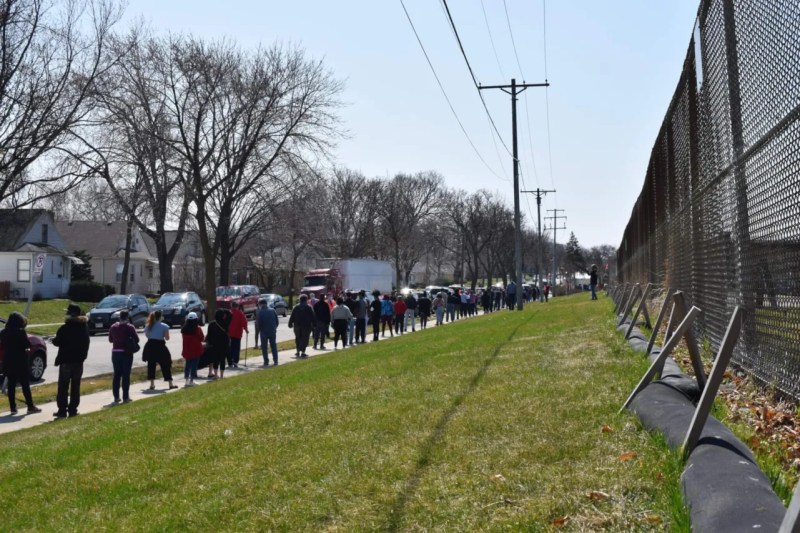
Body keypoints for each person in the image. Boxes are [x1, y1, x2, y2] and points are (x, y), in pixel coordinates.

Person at [51, 303, 90, 418]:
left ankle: (62, 410)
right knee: (75, 386)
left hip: (66, 361)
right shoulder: (84, 327)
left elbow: (57, 342)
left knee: (63, 386)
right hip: (79, 361)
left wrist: (54, 340)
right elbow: (86, 344)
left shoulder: (65, 328)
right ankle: (73, 409)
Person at [0, 312, 42, 416]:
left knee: (11, 385)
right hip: (20, 361)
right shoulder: (20, 332)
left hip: (8, 360)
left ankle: (13, 408)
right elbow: (27, 344)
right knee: (24, 384)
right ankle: (30, 406)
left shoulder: (3, 332)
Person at [108, 309, 139, 403]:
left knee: (116, 375)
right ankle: (125, 397)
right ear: (128, 317)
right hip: (126, 353)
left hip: (115, 352)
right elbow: (136, 340)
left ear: (119, 317)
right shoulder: (130, 327)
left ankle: (116, 397)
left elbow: (110, 340)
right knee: (126, 375)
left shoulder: (113, 327)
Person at [143, 310, 177, 390]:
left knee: (151, 365)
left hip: (150, 346)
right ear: (160, 317)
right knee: (166, 364)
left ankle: (152, 384)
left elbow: (147, 336)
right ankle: (170, 383)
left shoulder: (148, 326)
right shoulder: (164, 326)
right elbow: (167, 338)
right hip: (160, 346)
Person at [180, 312, 204, 387]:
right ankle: (191, 380)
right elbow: (202, 338)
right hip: (195, 350)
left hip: (187, 349)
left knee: (188, 364)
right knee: (194, 365)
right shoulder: (198, 328)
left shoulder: (184, 329)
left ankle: (186, 380)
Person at [205, 309, 231, 378]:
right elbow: (230, 314)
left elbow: (209, 334)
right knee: (222, 359)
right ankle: (222, 375)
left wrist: (209, 342)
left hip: (214, 344)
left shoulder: (211, 324)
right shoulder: (225, 322)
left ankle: (216, 374)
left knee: (215, 360)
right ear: (223, 315)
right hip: (224, 344)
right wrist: (223, 310)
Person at [255, 298, 279, 366]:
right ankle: (275, 360)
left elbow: (258, 323)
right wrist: (274, 328)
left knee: (264, 348)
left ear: (261, 304)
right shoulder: (272, 310)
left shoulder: (260, 312)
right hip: (272, 331)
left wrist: (260, 329)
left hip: (264, 332)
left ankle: (266, 361)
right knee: (273, 346)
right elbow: (277, 321)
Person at [227, 302, 249, 369]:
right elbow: (244, 322)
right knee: (236, 348)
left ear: (231, 306)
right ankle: (235, 362)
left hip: (229, 333)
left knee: (229, 348)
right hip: (237, 333)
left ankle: (230, 362)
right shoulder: (240, 313)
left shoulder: (228, 313)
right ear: (237, 306)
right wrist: (246, 330)